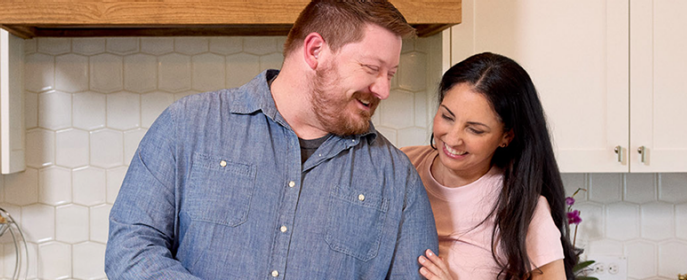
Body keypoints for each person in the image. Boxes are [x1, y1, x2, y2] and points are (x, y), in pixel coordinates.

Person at [104, 0, 438, 279]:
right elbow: (131, 249)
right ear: (315, 50)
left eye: (390, 75)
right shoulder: (189, 125)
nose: (384, 90)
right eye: (371, 68)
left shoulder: (396, 177)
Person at [400, 53, 580, 280]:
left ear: (507, 136)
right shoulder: (401, 167)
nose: (453, 138)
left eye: (475, 130)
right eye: (447, 116)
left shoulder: (522, 207)